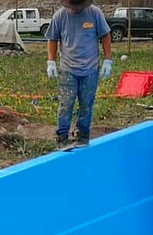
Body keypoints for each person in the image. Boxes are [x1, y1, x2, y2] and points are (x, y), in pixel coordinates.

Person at [45, 0, 112, 149]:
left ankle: (83, 135)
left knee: (86, 104)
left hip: (90, 68)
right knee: (66, 103)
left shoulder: (95, 13)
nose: (76, 9)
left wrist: (108, 60)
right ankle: (62, 136)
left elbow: (105, 35)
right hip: (68, 68)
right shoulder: (59, 16)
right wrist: (51, 61)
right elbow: (52, 39)